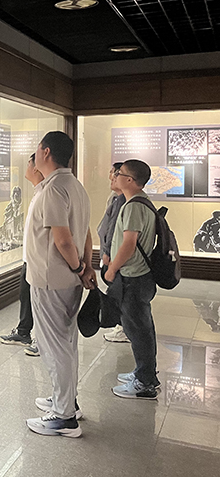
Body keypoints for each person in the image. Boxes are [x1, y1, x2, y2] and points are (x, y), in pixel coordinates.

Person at [24, 131, 95, 438]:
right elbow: (86, 234)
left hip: (51, 279)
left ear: (46, 152)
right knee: (66, 342)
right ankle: (67, 401)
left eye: (37, 149)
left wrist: (79, 267)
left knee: (54, 347)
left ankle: (64, 417)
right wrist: (85, 267)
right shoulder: (74, 186)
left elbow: (64, 240)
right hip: (67, 278)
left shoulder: (54, 190)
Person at [104, 159, 159, 400]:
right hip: (138, 276)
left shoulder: (134, 206)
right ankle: (143, 373)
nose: (115, 176)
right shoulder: (139, 202)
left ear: (129, 180)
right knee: (141, 327)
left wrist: (112, 269)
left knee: (138, 330)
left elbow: (129, 243)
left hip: (132, 277)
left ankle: (145, 383)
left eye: (120, 173)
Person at [0, 153, 44, 356]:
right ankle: (23, 331)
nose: (26, 168)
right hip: (29, 257)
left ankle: (42, 341)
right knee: (25, 295)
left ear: (36, 168)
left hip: (38, 259)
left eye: (28, 164)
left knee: (39, 301)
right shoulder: (37, 192)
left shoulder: (46, 194)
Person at [97, 162, 129, 343]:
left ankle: (123, 327)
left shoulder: (123, 201)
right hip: (111, 253)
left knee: (119, 292)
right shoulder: (117, 199)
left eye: (116, 174)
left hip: (114, 255)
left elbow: (113, 230)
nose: (113, 177)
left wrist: (107, 254)